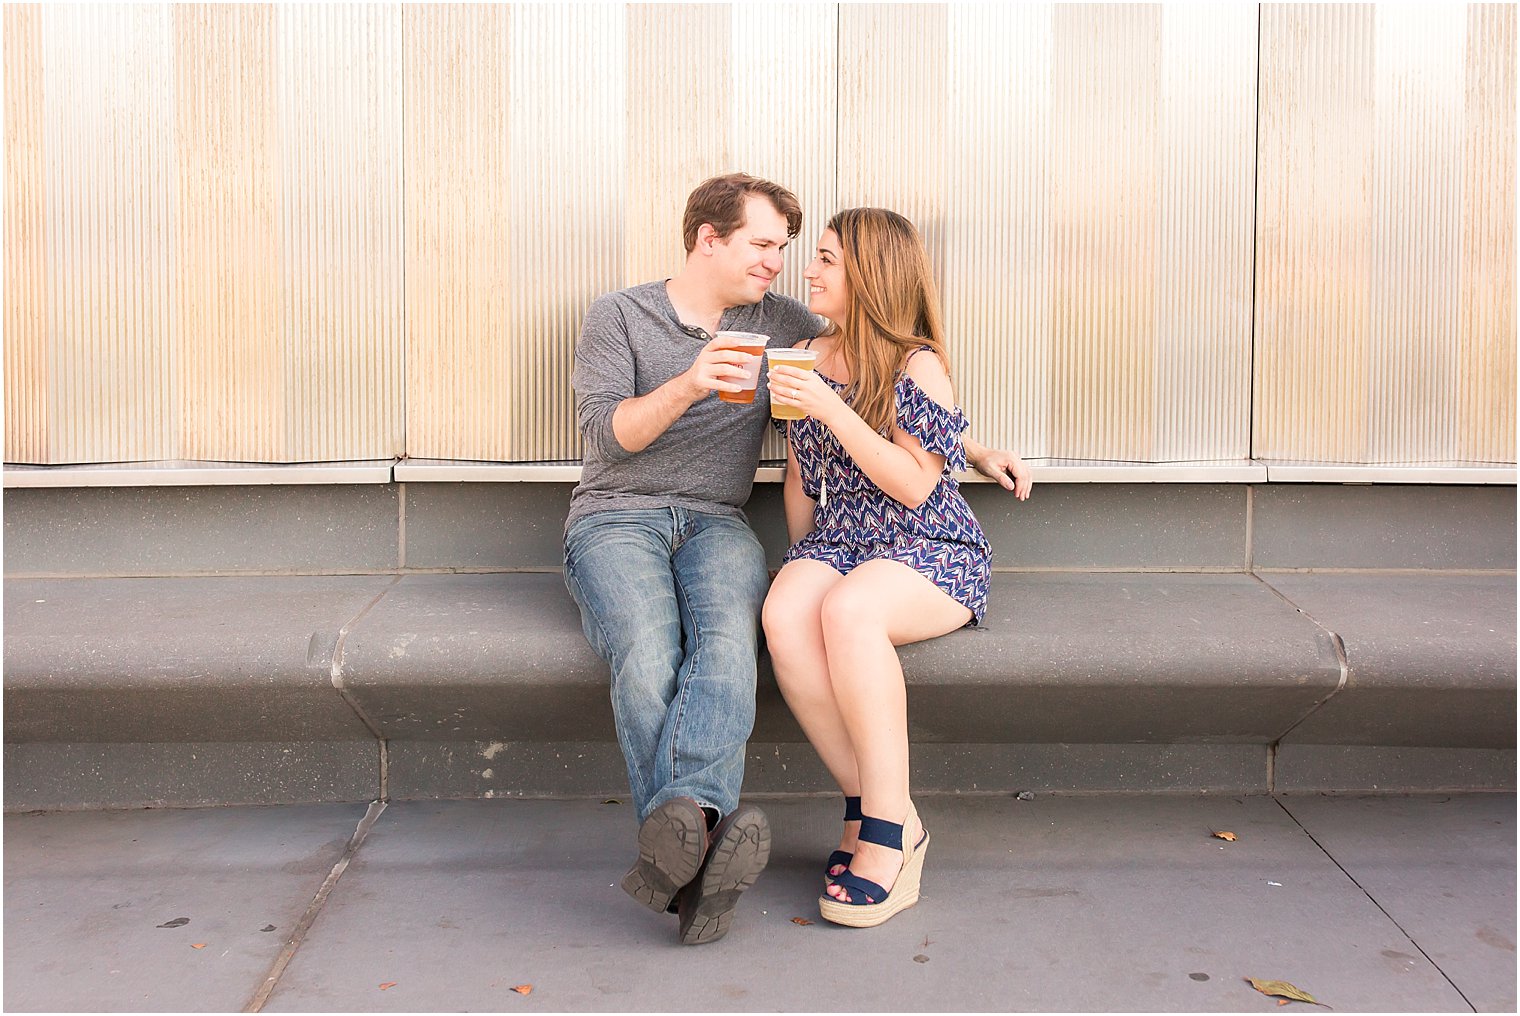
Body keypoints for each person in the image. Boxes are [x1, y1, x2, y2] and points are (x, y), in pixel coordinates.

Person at [564, 175, 1028, 945]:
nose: (785, 267)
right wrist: (690, 383)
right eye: (766, 246)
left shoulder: (780, 326)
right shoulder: (623, 316)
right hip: (623, 517)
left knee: (746, 635)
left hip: (739, 524)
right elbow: (613, 438)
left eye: (800, 252)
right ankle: (702, 843)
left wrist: (973, 448)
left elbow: (895, 386)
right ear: (709, 240)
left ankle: (852, 826)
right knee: (683, 641)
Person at [762, 206, 1033, 929]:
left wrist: (831, 405)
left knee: (849, 611)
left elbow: (915, 483)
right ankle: (880, 807)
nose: (808, 270)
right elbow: (799, 476)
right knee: (787, 613)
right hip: (841, 538)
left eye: (825, 259)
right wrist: (802, 558)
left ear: (869, 275)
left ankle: (885, 834)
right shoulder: (806, 352)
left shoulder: (917, 363)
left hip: (926, 545)